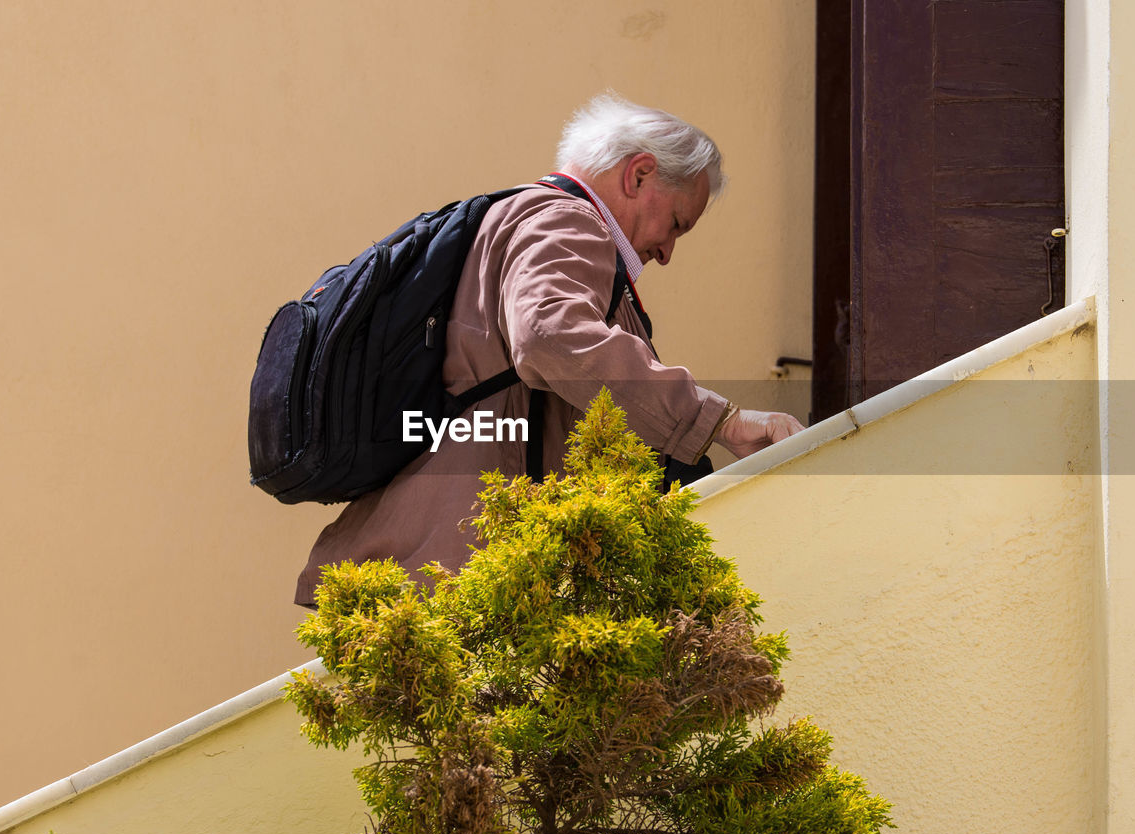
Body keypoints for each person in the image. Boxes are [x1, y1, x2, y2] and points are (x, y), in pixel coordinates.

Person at [294, 93, 803, 607]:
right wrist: (723, 422)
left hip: (430, 554)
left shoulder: (517, 221)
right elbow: (549, 337)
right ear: (640, 174)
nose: (668, 253)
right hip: (474, 564)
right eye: (676, 223)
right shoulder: (567, 221)